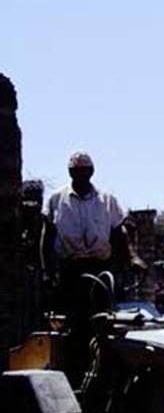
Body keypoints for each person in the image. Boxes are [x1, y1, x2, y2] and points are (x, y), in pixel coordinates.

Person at [40, 151, 145, 384]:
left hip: (101, 269)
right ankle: (75, 378)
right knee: (75, 327)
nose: (80, 176)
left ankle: (106, 376)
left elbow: (120, 233)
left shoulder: (107, 200)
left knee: (105, 324)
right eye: (76, 172)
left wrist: (134, 257)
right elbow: (47, 238)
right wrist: (47, 272)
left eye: (85, 171)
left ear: (91, 172)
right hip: (71, 270)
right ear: (70, 173)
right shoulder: (57, 199)